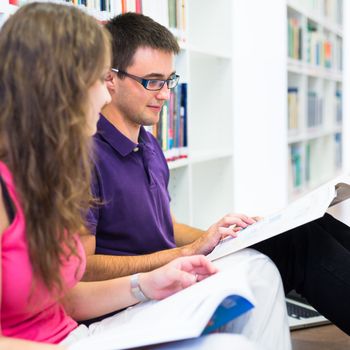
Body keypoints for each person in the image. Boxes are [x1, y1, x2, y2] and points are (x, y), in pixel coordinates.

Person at [0, 3, 277, 349]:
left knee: (257, 271)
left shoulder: (46, 175)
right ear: (58, 88)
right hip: (70, 342)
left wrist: (146, 284)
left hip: (77, 336)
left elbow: (64, 300)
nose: (105, 95)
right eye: (98, 80)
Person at [85, 11, 350, 337]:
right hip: (136, 297)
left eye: (169, 81)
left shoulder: (148, 144)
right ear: (110, 77)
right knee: (299, 245)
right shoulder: (85, 156)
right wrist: (186, 252)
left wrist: (215, 237)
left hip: (174, 271)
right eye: (152, 82)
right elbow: (84, 270)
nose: (166, 95)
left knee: (308, 225)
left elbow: (164, 225)